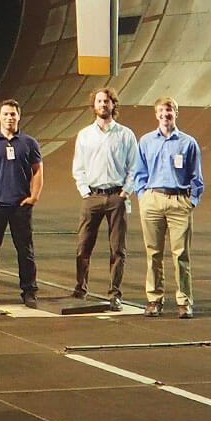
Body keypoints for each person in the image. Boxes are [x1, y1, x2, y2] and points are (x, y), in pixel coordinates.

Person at [129, 97, 205, 319]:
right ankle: (154, 299)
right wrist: (143, 196)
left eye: (169, 110)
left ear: (176, 113)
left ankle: (184, 301)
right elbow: (139, 173)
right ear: (156, 115)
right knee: (153, 253)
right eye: (161, 111)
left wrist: (192, 202)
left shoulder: (187, 143)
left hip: (178, 200)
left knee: (181, 254)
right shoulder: (146, 141)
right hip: (153, 199)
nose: (165, 114)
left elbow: (196, 177)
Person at [71, 87, 137, 309]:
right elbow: (78, 167)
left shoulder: (125, 134)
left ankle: (114, 293)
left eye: (106, 101)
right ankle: (80, 289)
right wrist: (84, 192)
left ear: (113, 105)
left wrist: (125, 192)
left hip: (116, 197)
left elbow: (134, 167)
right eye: (99, 101)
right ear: (94, 105)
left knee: (118, 248)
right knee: (83, 246)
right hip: (92, 196)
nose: (103, 105)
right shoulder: (85, 135)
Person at [0, 99, 43, 307]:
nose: (9, 118)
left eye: (13, 114)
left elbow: (38, 169)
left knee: (25, 250)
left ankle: (29, 290)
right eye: (5, 114)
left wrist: (34, 196)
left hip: (20, 205)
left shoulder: (29, 143)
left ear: (19, 116)